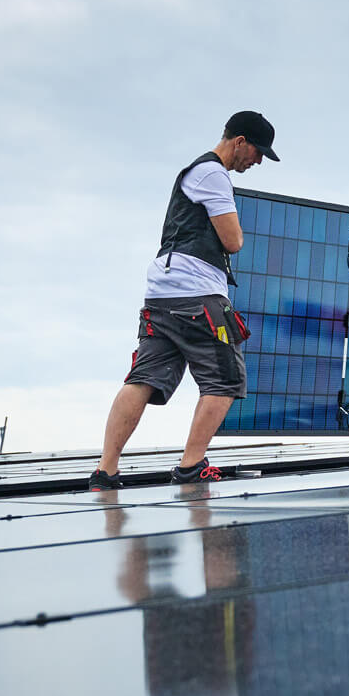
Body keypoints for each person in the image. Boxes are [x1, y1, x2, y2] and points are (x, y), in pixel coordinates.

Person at [88, 111, 279, 490]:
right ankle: (191, 465)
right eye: (258, 152)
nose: (258, 161)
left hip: (161, 294)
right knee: (225, 378)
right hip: (197, 292)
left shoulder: (196, 173)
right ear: (240, 141)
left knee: (142, 378)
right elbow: (233, 241)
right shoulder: (213, 174)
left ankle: (105, 471)